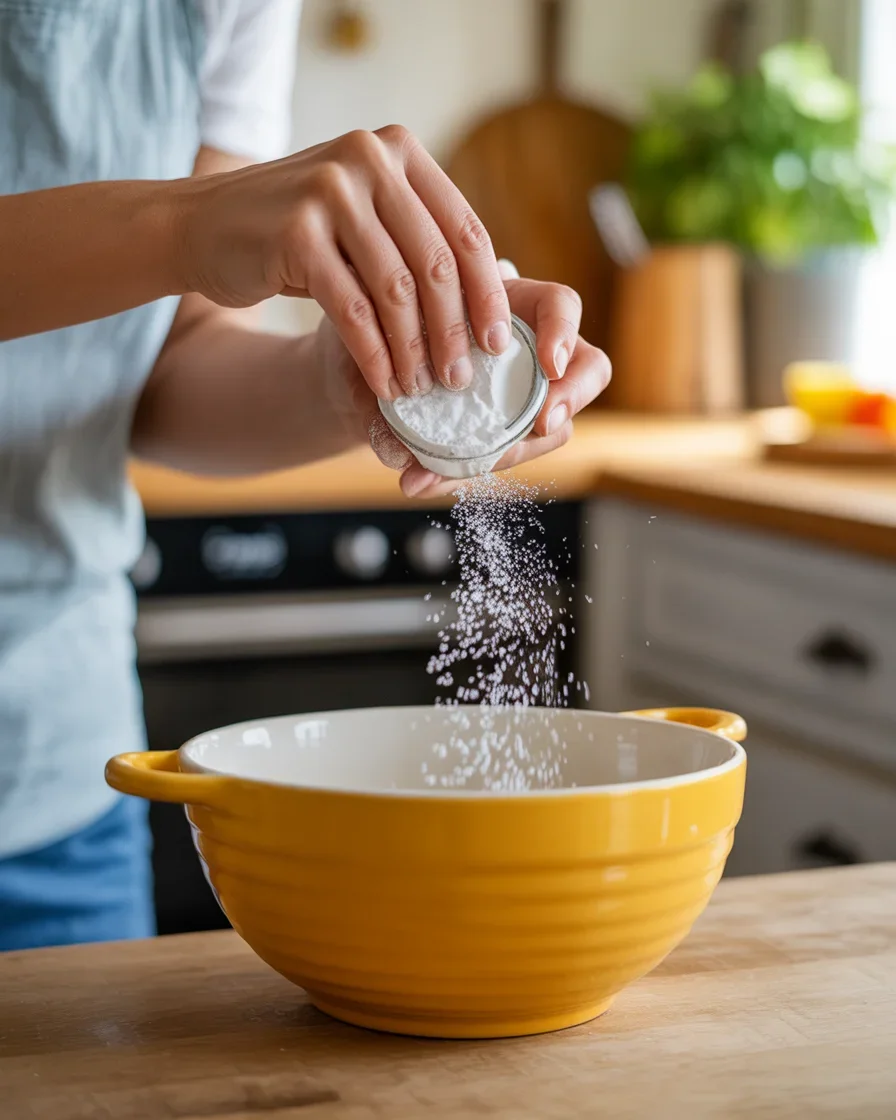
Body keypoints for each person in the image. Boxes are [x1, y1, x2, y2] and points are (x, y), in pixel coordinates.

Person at [0, 0, 611, 951]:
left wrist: (334, 383)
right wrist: (181, 226)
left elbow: (162, 362)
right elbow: (183, 247)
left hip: (61, 770)